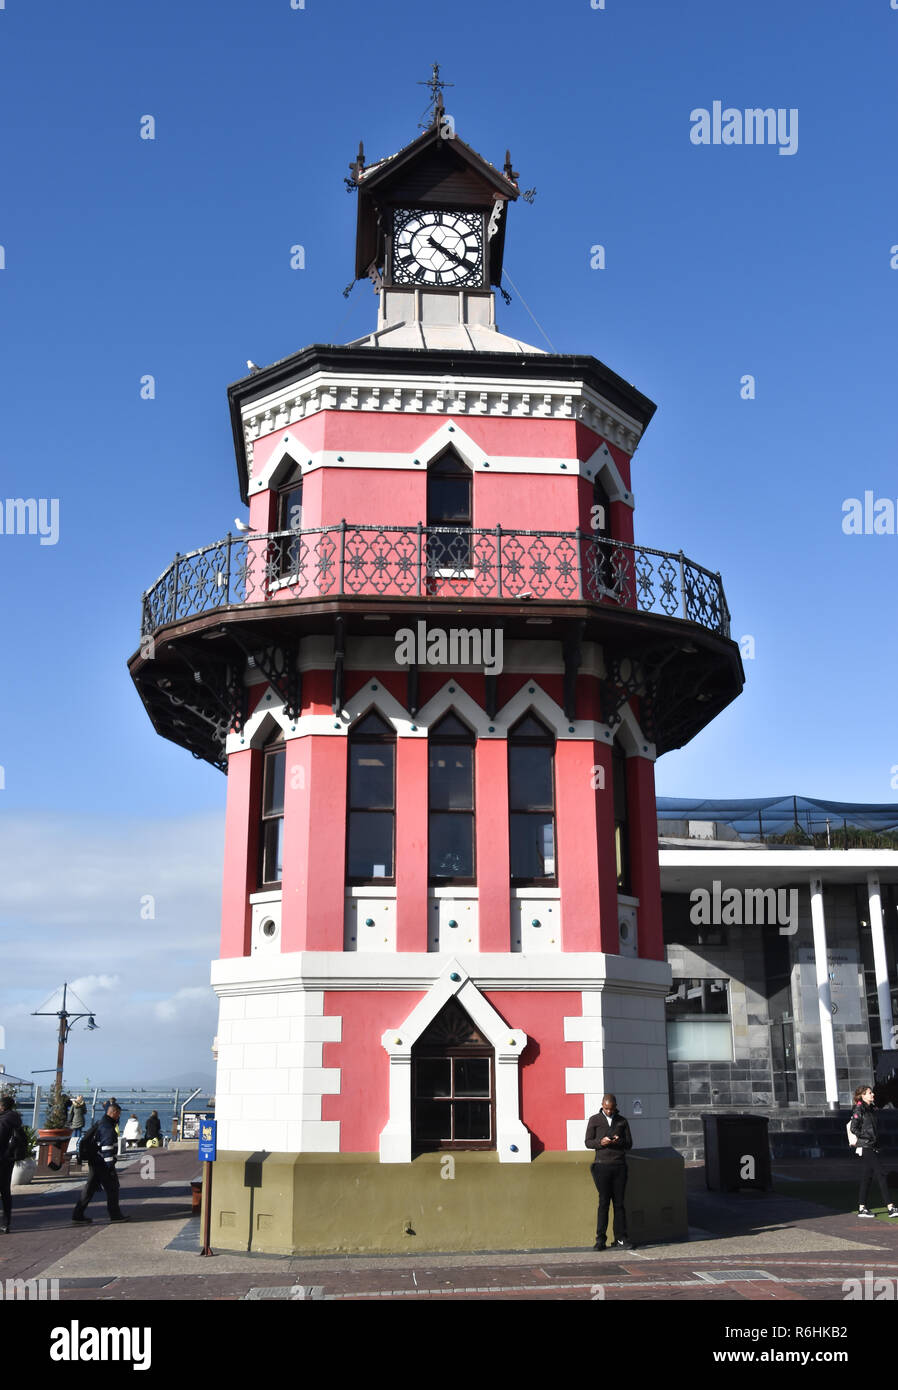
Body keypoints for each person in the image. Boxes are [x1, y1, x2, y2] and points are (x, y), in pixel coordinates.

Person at [586, 1093, 633, 1251]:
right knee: (603, 1203)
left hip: (619, 1165)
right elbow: (588, 1142)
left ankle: (621, 1238)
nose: (609, 1112)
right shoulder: (595, 1120)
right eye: (606, 1109)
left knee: (619, 1204)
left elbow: (629, 1144)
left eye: (611, 1109)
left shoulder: (622, 1121)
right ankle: (600, 1239)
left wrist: (619, 1141)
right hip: (602, 1166)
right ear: (602, 1106)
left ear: (615, 1107)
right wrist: (601, 1142)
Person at [71, 1103, 130, 1225]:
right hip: (102, 1162)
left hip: (95, 1160)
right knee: (112, 1188)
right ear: (113, 1112)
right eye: (118, 1113)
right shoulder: (108, 1127)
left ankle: (78, 1214)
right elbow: (107, 1147)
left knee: (90, 1187)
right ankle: (115, 1215)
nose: (119, 1116)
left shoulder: (100, 1123)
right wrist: (110, 1165)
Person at [850, 1084, 898, 1219]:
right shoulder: (859, 1108)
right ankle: (890, 1207)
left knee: (867, 1177)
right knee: (881, 1174)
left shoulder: (870, 1109)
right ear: (862, 1095)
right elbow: (854, 1127)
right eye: (869, 1093)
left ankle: (862, 1208)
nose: (872, 1094)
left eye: (872, 1092)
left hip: (872, 1145)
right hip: (866, 1146)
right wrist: (866, 1137)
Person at [0, 1096, 25, 1234]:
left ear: (2, 1106)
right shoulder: (15, 1119)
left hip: (2, 1158)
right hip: (9, 1159)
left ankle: (4, 1223)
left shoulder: (4, 1120)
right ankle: (6, 1222)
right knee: (5, 1191)